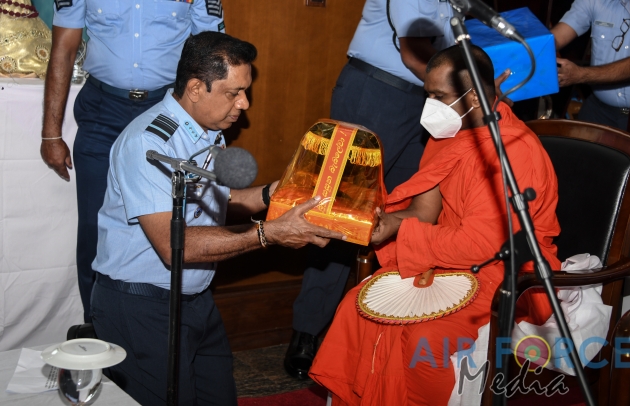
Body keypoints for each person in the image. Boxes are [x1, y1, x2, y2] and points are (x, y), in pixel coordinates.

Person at [90, 32, 345, 406]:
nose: (244, 103)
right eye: (233, 93)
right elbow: (174, 246)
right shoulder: (150, 143)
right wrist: (268, 234)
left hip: (194, 299)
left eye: (245, 91)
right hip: (141, 305)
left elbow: (216, 201)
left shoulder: (208, 130)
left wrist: (272, 194)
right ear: (196, 88)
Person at [308, 44, 562, 405]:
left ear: (472, 97)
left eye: (439, 96)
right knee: (356, 307)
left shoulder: (514, 152)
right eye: (427, 95)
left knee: (423, 336)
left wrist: (403, 232)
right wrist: (385, 223)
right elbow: (424, 211)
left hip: (505, 276)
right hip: (447, 262)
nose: (430, 106)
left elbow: (482, 246)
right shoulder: (450, 134)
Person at [284, 0, 457, 379]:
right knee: (341, 212)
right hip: (378, 92)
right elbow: (414, 50)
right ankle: (307, 332)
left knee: (407, 215)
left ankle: (386, 328)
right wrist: (468, 86)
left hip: (429, 103)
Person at [40, 0, 226, 324]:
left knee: (176, 224)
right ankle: (98, 328)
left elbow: (215, 55)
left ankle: (168, 325)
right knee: (94, 230)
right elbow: (64, 49)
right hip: (103, 112)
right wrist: (51, 134)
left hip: (168, 112)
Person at [551, 0, 630, 130]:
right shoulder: (596, 2)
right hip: (598, 109)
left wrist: (580, 75)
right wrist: (531, 51)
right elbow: (555, 38)